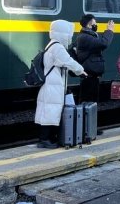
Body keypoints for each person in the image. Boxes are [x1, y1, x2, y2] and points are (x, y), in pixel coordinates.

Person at [34, 20, 86, 148]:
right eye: (68, 33)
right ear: (63, 33)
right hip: (53, 85)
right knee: (51, 111)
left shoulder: (51, 44)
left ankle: (48, 138)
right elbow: (68, 61)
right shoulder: (57, 47)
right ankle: (44, 140)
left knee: (49, 111)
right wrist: (81, 70)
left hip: (51, 84)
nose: (70, 36)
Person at [75, 15, 115, 103]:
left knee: (91, 103)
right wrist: (110, 31)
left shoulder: (89, 36)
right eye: (94, 23)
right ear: (89, 25)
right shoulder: (85, 37)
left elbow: (100, 47)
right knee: (88, 103)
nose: (96, 25)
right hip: (88, 77)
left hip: (92, 76)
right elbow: (103, 43)